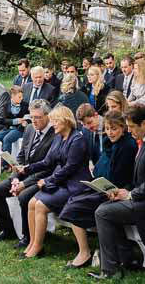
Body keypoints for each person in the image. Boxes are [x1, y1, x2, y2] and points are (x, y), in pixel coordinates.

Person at [92, 104, 145, 279]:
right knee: (107, 207)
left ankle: (111, 269)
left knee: (103, 212)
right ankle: (127, 258)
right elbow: (143, 180)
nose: (129, 130)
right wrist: (125, 191)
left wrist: (130, 194)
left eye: (132, 126)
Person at [59, 110, 138, 270]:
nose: (110, 132)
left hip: (117, 192)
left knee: (75, 207)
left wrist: (109, 187)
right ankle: (92, 251)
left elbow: (121, 175)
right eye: (108, 129)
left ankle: (92, 253)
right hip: (103, 188)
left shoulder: (127, 146)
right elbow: (101, 168)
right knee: (73, 200)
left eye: (114, 129)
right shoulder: (109, 143)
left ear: (123, 128)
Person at [19, 106, 91, 259]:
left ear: (66, 121)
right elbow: (47, 161)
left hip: (74, 185)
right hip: (60, 182)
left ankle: (38, 246)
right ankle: (32, 243)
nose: (53, 124)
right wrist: (27, 169)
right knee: (31, 202)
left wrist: (47, 180)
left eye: (55, 121)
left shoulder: (78, 139)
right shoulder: (58, 137)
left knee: (40, 205)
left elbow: (70, 168)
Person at [0, 100, 56, 248]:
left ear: (47, 116)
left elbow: (48, 168)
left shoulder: (54, 134)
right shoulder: (30, 129)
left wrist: (24, 184)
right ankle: (7, 230)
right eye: (32, 117)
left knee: (24, 196)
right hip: (23, 174)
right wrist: (14, 178)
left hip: (41, 178)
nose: (34, 121)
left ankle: (27, 236)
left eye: (38, 117)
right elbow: (21, 156)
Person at [0, 85, 29, 158]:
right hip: (8, 128)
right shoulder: (6, 105)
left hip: (20, 129)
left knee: (7, 139)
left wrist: (26, 122)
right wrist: (15, 121)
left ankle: (6, 163)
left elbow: (28, 117)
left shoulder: (25, 105)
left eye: (22, 96)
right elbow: (2, 120)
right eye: (19, 97)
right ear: (12, 96)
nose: (21, 99)